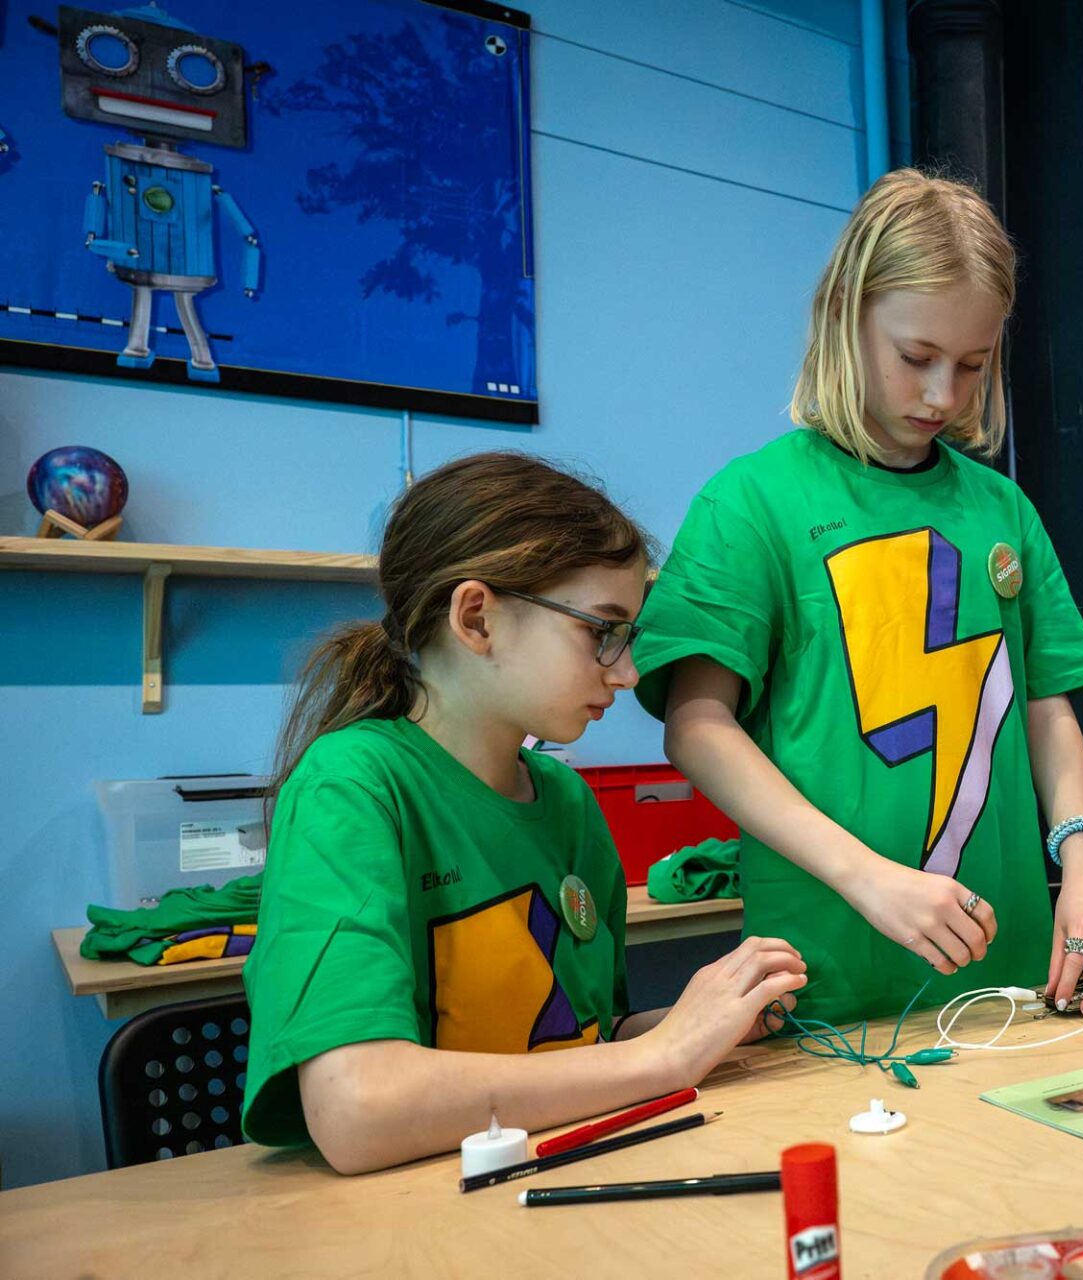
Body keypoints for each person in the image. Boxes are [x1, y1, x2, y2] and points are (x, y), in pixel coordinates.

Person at [635, 168, 1083, 1024]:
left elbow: (1045, 708)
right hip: (829, 985)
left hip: (1011, 980)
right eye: (916, 358)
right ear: (845, 315)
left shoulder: (1003, 511)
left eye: (972, 365)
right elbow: (697, 726)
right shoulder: (749, 503)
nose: (943, 394)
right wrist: (867, 876)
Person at [240, 452, 806, 1174]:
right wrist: (664, 1056)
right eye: (601, 631)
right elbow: (357, 1110)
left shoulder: (566, 801)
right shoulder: (349, 788)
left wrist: (702, 1024)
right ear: (476, 618)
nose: (627, 672)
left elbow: (580, 1039)